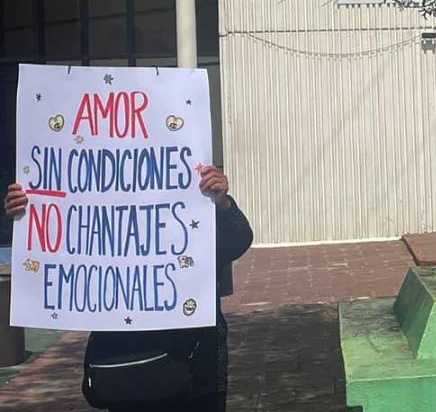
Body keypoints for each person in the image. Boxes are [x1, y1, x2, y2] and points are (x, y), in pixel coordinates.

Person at [5, 165, 253, 411]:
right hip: (125, 358)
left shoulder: (193, 195)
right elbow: (58, 247)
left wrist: (221, 204)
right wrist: (28, 211)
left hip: (195, 360)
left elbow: (236, 241)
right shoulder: (97, 203)